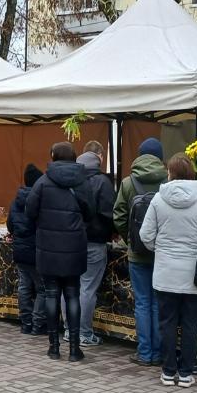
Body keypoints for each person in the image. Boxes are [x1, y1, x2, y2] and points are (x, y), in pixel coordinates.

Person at [139, 153, 197, 388]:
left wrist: (161, 249)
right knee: (190, 325)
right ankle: (186, 373)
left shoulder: (158, 199)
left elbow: (145, 235)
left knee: (166, 323)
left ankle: (168, 371)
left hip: (165, 272)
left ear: (170, 173)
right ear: (191, 173)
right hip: (194, 275)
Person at [26, 142, 93, 361]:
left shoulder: (43, 182)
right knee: (73, 293)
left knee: (52, 294)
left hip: (48, 248)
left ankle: (54, 347)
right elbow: (91, 212)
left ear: (53, 156)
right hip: (74, 246)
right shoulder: (83, 182)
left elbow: (30, 211)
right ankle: (74, 349)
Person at [114, 138, 168, 367]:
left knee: (143, 303)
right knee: (158, 303)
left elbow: (118, 216)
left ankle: (145, 353)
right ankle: (159, 353)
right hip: (163, 253)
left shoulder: (128, 182)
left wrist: (130, 240)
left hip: (137, 253)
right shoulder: (168, 181)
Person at [74, 145, 116, 347]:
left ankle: (69, 330)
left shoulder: (71, 181)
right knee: (87, 288)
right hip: (95, 242)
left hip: (72, 241)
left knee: (72, 287)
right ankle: (83, 333)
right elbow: (110, 213)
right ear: (99, 160)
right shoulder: (103, 182)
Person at [8, 164, 46, 335]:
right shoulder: (40, 201)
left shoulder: (16, 200)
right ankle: (38, 324)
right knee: (42, 288)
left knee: (24, 287)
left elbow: (10, 225)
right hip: (36, 251)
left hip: (20, 251)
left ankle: (26, 323)